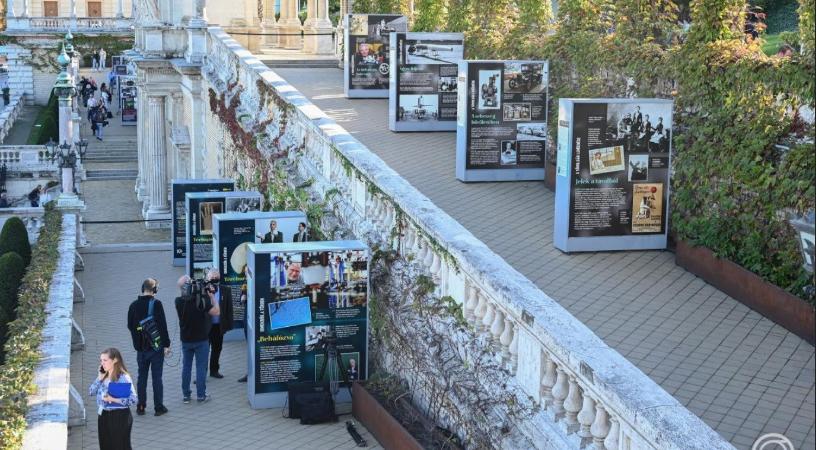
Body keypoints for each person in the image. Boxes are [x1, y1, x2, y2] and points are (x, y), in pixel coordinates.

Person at [127, 278, 171, 416]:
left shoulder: (133, 305)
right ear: (154, 290)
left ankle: (141, 407)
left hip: (141, 349)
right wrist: (167, 345)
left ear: (142, 288)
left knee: (142, 378)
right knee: (157, 378)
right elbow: (162, 326)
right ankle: (158, 408)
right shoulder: (157, 304)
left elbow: (130, 326)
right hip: (156, 348)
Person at [175, 275, 219, 403]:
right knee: (201, 367)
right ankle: (201, 395)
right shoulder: (201, 301)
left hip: (186, 340)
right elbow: (216, 312)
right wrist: (211, 297)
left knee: (186, 367)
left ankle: (186, 396)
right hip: (201, 339)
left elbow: (182, 289)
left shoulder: (178, 301)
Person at [89, 347, 138, 450]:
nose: (102, 363)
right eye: (101, 360)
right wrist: (99, 378)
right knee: (105, 445)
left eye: (105, 360)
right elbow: (91, 392)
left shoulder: (123, 377)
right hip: (103, 415)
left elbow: (133, 399)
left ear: (115, 360)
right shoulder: (103, 375)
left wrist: (114, 399)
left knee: (120, 446)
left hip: (120, 416)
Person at [204, 269, 233, 379]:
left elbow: (229, 309)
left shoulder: (226, 290)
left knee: (217, 349)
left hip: (218, 326)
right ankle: (202, 373)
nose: (215, 279)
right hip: (205, 327)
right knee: (204, 351)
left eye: (217, 277)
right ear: (208, 279)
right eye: (212, 278)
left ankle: (214, 370)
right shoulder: (203, 290)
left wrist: (229, 325)